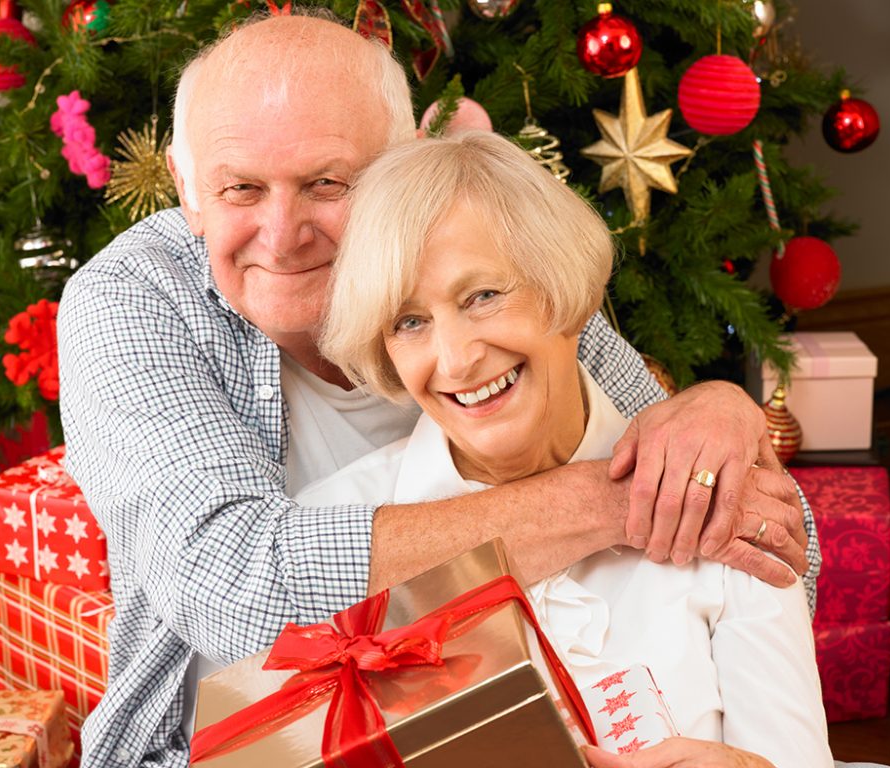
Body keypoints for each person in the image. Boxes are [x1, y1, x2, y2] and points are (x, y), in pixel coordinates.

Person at [56, 10, 818, 767]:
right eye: (240, 189)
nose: (282, 234)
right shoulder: (132, 300)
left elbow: (770, 541)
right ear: (188, 192)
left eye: (327, 183)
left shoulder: (477, 249)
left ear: (406, 164)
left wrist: (716, 412)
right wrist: (626, 499)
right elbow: (240, 596)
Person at [300, 130, 832, 768]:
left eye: (484, 296)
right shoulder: (330, 533)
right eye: (409, 321)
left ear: (566, 295)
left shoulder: (715, 491)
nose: (458, 358)